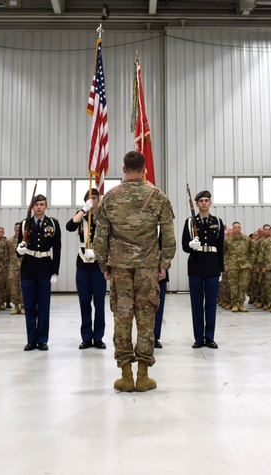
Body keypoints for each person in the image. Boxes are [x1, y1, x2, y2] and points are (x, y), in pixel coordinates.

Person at [93, 151, 175, 392]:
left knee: (122, 317)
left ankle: (126, 375)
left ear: (123, 168)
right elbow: (168, 236)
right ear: (144, 168)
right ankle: (143, 375)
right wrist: (164, 264)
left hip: (119, 269)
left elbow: (100, 238)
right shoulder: (157, 196)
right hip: (148, 268)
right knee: (146, 318)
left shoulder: (110, 197)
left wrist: (104, 265)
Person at [17, 194, 61, 351]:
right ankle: (31, 340)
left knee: (43, 306)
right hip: (28, 268)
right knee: (29, 306)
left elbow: (57, 248)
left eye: (42, 204)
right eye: (36, 205)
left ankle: (42, 340)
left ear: (46, 206)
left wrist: (55, 272)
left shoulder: (53, 223)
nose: (39, 207)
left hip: (45, 268)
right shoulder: (25, 224)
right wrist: (19, 251)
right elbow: (19, 249)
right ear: (32, 207)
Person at [182, 190, 224, 348]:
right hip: (196, 266)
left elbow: (220, 247)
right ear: (197, 204)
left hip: (212, 266)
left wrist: (221, 269)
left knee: (211, 304)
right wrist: (191, 245)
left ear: (210, 203)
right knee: (196, 303)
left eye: (207, 200)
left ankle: (210, 337)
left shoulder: (217, 222)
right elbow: (184, 245)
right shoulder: (189, 222)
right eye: (201, 201)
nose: (204, 203)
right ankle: (199, 338)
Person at [65, 187, 107, 350]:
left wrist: (98, 251)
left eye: (95, 198)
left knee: (99, 303)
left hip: (98, 264)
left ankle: (98, 337)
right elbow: (69, 226)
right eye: (89, 198)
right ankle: (86, 337)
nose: (93, 200)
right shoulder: (81, 215)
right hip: (82, 263)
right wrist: (84, 209)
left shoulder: (104, 217)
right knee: (84, 303)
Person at [224, 221, 252, 312]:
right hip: (233, 266)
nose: (237, 229)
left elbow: (253, 251)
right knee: (233, 286)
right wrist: (226, 264)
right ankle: (234, 304)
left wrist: (250, 262)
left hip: (244, 266)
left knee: (243, 286)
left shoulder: (247, 239)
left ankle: (241, 304)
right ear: (232, 228)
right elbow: (223, 253)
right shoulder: (228, 240)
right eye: (235, 227)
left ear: (241, 228)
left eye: (238, 227)